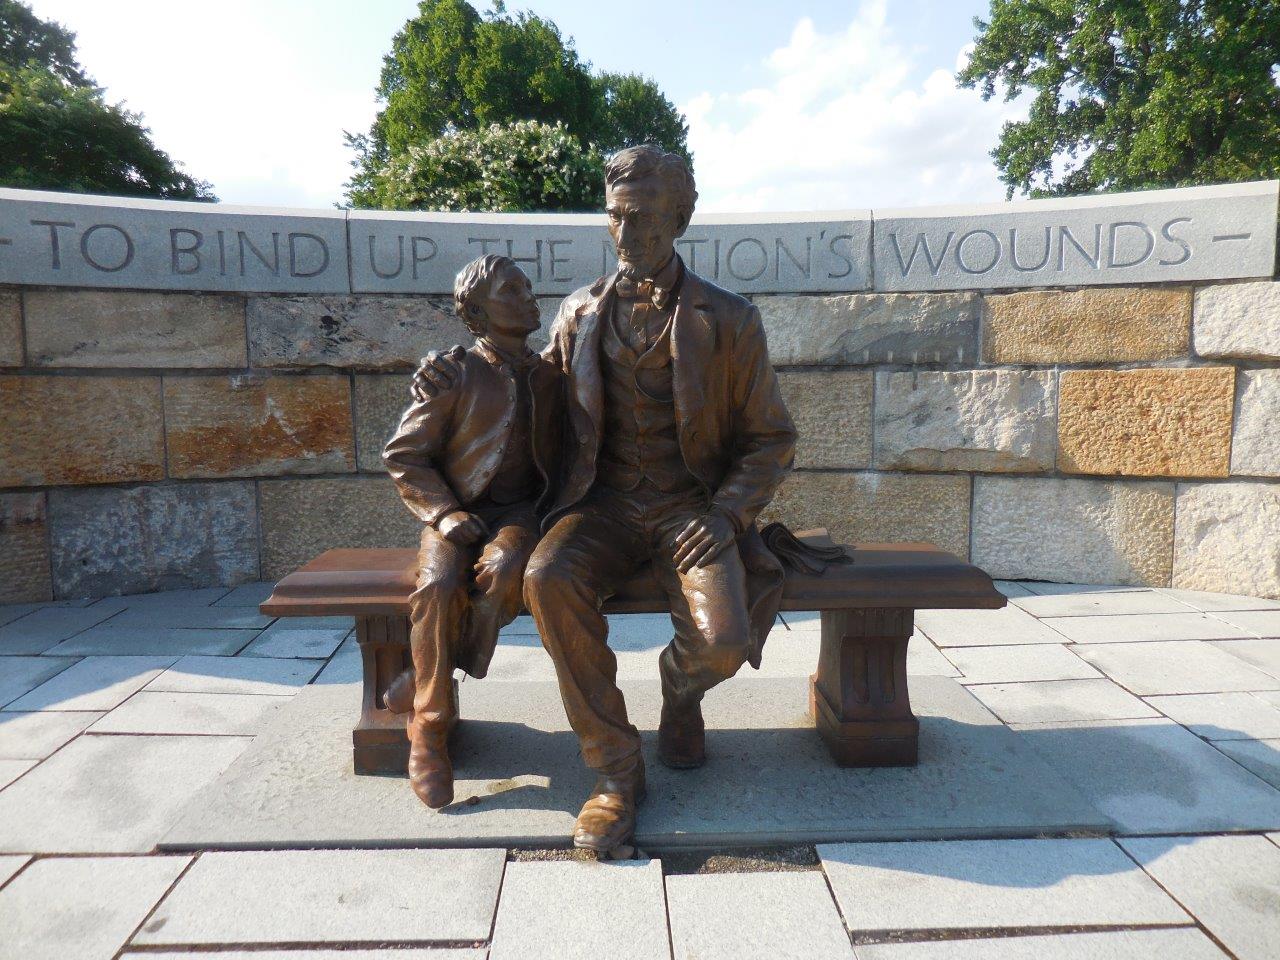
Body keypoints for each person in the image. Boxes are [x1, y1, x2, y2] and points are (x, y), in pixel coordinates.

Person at [414, 146, 796, 851]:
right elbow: (530, 383)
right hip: (602, 506)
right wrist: (456, 364)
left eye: (647, 220)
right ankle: (616, 772)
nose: (629, 235)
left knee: (724, 641)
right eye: (618, 219)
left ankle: (680, 697)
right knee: (545, 576)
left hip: (692, 508)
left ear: (680, 219)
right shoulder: (578, 310)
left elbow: (770, 439)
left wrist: (727, 514)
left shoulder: (732, 319)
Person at [383, 254, 561, 808]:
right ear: (477, 311)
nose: (530, 297)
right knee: (436, 586)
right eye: (513, 290)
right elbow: (405, 456)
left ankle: (424, 680)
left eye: (529, 287)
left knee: (507, 569)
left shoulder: (553, 373)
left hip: (521, 514)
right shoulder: (454, 371)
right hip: (456, 510)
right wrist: (443, 514)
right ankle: (430, 731)